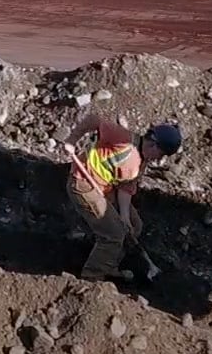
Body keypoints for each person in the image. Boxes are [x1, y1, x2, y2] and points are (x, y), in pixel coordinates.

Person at [60, 113, 183, 283]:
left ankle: (109, 264)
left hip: (106, 187)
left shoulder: (141, 163)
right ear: (153, 145)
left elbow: (125, 188)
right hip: (84, 183)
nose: (159, 160)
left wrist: (125, 216)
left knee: (134, 226)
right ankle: (92, 277)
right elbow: (94, 119)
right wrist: (71, 140)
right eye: (161, 155)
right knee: (114, 234)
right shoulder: (124, 139)